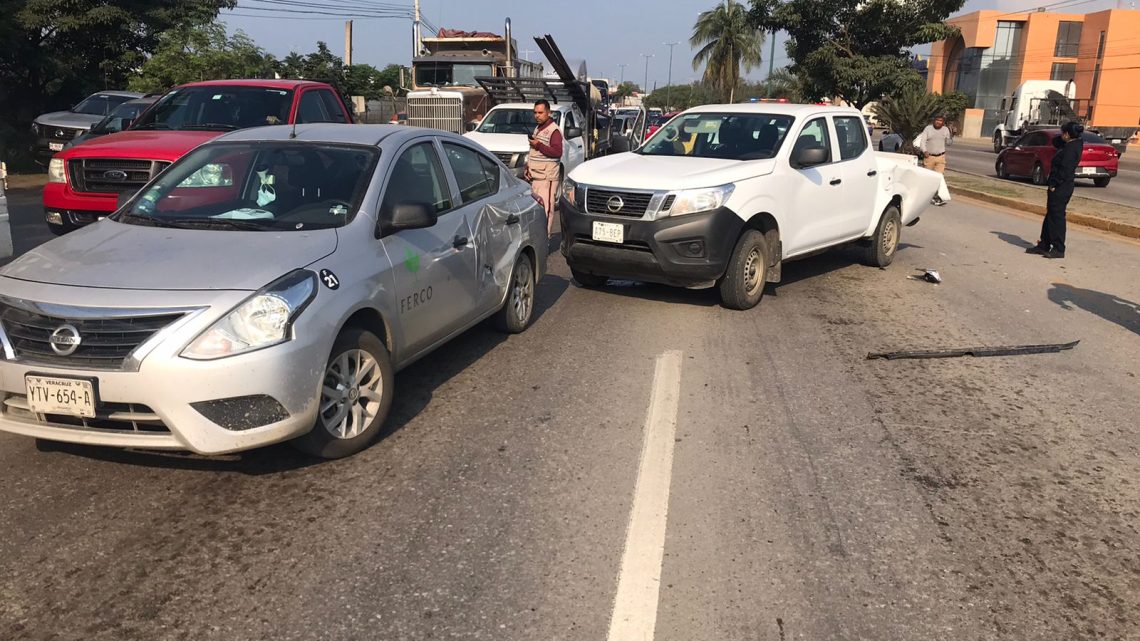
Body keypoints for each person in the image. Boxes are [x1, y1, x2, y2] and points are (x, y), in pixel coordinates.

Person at [1027, 121, 1084, 259]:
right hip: (1059, 185)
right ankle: (1044, 244)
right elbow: (1055, 142)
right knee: (1051, 215)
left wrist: (1054, 184)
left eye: (1063, 133)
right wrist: (1063, 137)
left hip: (1061, 187)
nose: (1061, 135)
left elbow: (1065, 170)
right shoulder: (1070, 144)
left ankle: (1058, 248)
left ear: (1068, 134)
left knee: (1057, 217)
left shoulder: (1071, 149)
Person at [525, 99, 564, 238]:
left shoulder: (554, 131)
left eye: (540, 112)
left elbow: (557, 152)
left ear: (549, 113)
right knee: (536, 211)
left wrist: (538, 145)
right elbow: (533, 153)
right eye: (535, 112)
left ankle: (544, 241)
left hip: (547, 178)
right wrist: (527, 167)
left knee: (546, 211)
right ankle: (538, 240)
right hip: (536, 177)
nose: (537, 115)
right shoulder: (538, 128)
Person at [916, 115, 952, 206]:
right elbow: (923, 142)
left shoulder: (945, 130)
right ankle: (924, 196)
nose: (938, 122)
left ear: (943, 122)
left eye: (940, 121)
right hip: (929, 157)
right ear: (934, 121)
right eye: (937, 120)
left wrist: (952, 135)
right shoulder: (928, 129)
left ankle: (935, 197)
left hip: (941, 157)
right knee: (928, 178)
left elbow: (949, 143)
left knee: (938, 177)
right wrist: (924, 151)